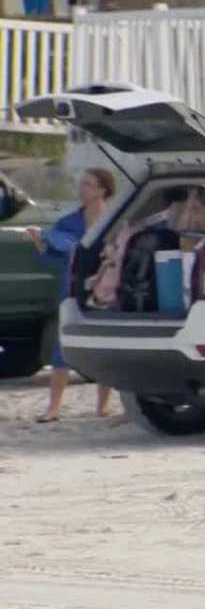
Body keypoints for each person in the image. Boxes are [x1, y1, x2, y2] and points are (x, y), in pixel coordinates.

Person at [25, 168, 118, 423]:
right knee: (61, 347)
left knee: (105, 348)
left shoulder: (115, 219)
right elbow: (52, 258)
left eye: (87, 184)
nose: (82, 189)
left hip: (106, 289)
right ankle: (53, 408)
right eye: (82, 183)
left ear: (102, 189)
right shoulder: (68, 222)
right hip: (73, 289)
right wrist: (39, 242)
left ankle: (102, 406)